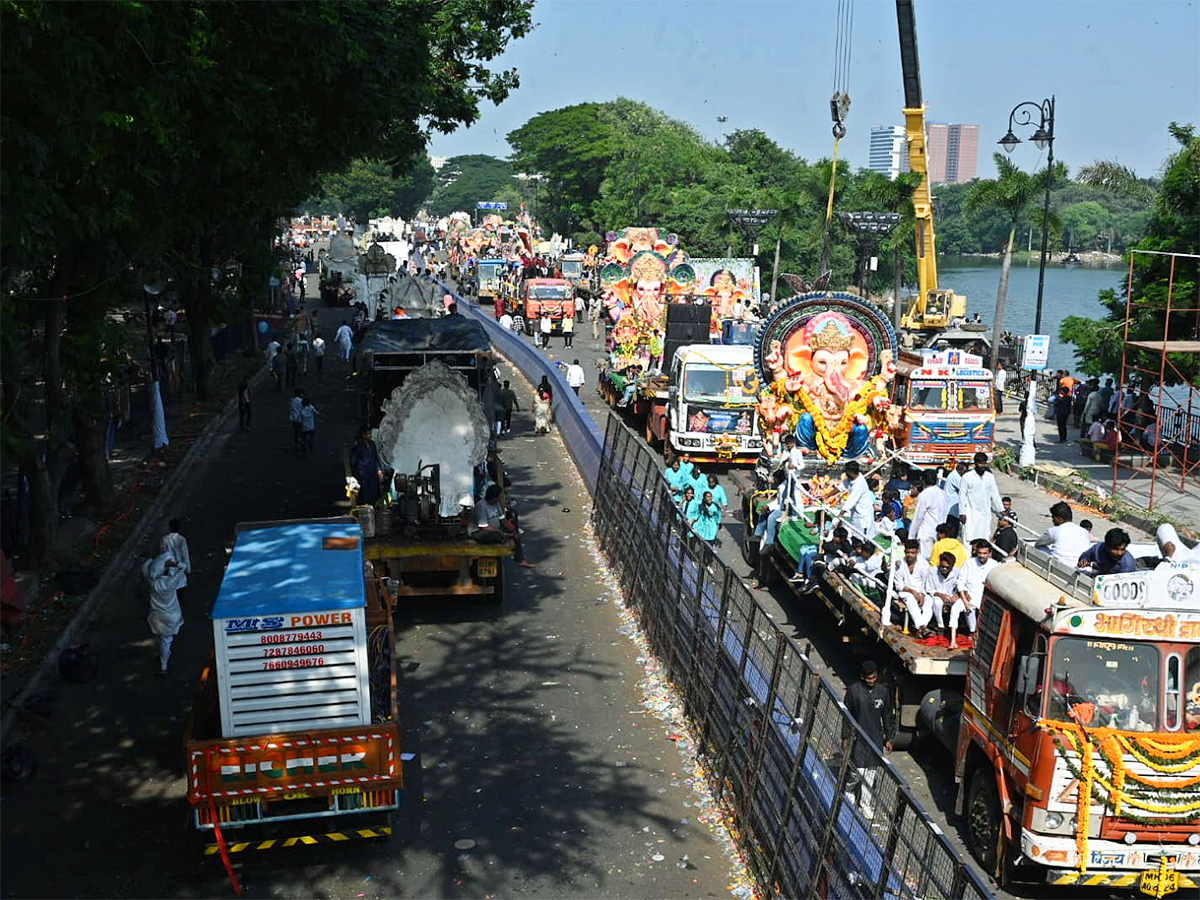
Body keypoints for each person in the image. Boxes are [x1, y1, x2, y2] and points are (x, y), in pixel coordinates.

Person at [841, 660, 894, 820]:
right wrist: (845, 736)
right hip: (858, 738)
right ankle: (849, 791)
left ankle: (865, 804)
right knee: (857, 772)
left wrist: (889, 738)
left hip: (875, 738)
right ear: (862, 677)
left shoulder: (883, 692)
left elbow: (888, 716)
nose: (872, 681)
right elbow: (847, 716)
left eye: (874, 678)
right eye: (869, 678)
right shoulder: (853, 691)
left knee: (870, 774)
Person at [948, 541, 998, 649]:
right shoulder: (969, 563)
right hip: (969, 597)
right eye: (980, 553)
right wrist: (965, 599)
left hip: (985, 599)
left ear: (989, 553)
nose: (982, 556)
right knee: (956, 608)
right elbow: (960, 582)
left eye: (984, 553)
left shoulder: (994, 565)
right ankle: (952, 641)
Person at [144, 550, 186, 674]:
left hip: (156, 615)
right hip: (171, 616)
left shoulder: (151, 582)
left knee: (159, 636)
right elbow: (183, 567)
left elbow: (145, 566)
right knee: (166, 640)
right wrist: (172, 563)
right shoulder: (170, 583)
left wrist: (154, 562)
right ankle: (164, 664)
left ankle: (162, 655)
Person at [475, 483, 535, 568]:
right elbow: (484, 526)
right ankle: (504, 536)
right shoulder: (481, 506)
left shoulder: (496, 504)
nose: (499, 498)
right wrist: (500, 531)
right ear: (493, 497)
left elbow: (502, 519)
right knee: (492, 535)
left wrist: (513, 530)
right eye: (498, 496)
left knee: (514, 524)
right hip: (484, 531)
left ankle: (520, 559)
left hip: (496, 528)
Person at [959, 452, 1004, 544]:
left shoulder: (989, 477)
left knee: (984, 538)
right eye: (980, 463)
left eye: (984, 463)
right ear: (975, 463)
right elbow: (962, 496)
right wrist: (962, 513)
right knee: (969, 539)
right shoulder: (967, 477)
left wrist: (1001, 509)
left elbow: (995, 494)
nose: (983, 465)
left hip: (985, 513)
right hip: (971, 513)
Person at [889, 540, 932, 630]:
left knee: (929, 601)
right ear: (904, 552)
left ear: (917, 552)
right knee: (910, 598)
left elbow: (925, 583)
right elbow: (899, 585)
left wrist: (923, 595)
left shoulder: (924, 564)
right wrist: (912, 591)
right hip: (905, 592)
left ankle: (923, 627)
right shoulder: (899, 564)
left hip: (920, 592)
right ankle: (920, 626)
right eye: (908, 552)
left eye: (912, 552)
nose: (910, 555)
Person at [920, 551, 961, 639]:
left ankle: (954, 628)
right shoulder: (932, 571)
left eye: (947, 567)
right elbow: (928, 588)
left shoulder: (958, 572)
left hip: (952, 597)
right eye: (942, 566)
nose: (944, 569)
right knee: (936, 601)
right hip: (936, 596)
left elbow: (961, 587)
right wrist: (939, 594)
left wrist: (957, 595)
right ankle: (940, 625)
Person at [911, 469, 948, 560]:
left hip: (927, 533)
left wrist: (911, 536)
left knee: (925, 561)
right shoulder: (943, 494)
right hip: (941, 533)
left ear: (923, 481)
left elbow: (918, 517)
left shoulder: (924, 494)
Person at [839, 460, 876, 540]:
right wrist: (826, 496)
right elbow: (841, 487)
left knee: (861, 538)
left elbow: (850, 502)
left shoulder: (859, 484)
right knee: (854, 534)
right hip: (855, 513)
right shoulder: (851, 479)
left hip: (862, 515)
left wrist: (840, 514)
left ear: (850, 472)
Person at [349, 425, 383, 506]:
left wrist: (379, 469)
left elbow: (376, 458)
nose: (370, 436)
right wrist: (355, 474)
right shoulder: (359, 446)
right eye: (368, 434)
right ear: (363, 435)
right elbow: (354, 460)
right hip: (363, 473)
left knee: (374, 492)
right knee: (365, 493)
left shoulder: (372, 444)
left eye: (370, 434)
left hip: (372, 472)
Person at [160, 519, 191, 590]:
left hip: (169, 569)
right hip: (180, 568)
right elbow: (185, 555)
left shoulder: (164, 539)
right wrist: (188, 568)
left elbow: (163, 554)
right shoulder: (181, 540)